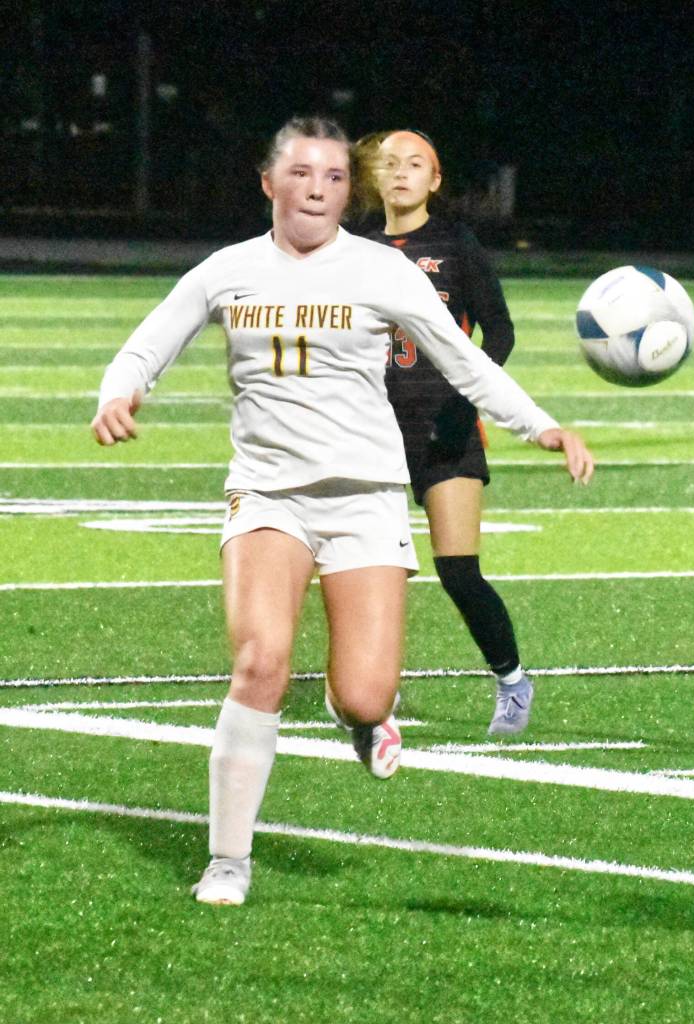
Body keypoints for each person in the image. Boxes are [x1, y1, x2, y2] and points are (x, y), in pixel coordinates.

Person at [91, 116, 594, 907]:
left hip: (365, 499)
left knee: (364, 695)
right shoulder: (226, 270)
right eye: (299, 173)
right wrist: (118, 394)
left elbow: (464, 359)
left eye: (330, 177)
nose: (316, 189)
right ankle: (228, 859)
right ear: (269, 183)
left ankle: (356, 715)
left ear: (342, 192)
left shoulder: (382, 272)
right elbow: (147, 343)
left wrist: (543, 425)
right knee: (260, 661)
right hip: (267, 495)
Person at [357, 128, 534, 735]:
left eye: (415, 164)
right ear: (373, 178)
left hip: (445, 426)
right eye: (389, 164)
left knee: (458, 570)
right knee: (369, 573)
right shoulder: (350, 247)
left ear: (434, 180)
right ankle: (375, 690)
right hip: (369, 432)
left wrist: (464, 403)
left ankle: (512, 680)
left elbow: (500, 332)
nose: (400, 172)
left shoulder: (455, 243)